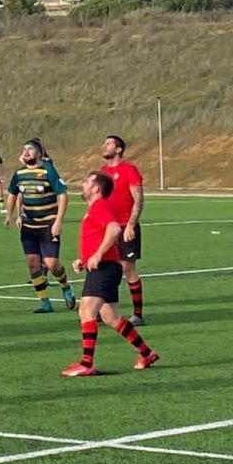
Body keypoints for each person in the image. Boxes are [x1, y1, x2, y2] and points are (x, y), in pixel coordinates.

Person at [62, 171, 158, 377]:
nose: (83, 184)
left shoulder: (99, 206)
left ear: (96, 188)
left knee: (86, 312)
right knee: (111, 317)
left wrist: (97, 255)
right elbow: (99, 235)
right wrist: (86, 259)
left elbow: (114, 229)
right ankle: (146, 353)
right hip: (104, 266)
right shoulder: (95, 209)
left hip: (104, 268)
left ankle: (86, 363)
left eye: (87, 181)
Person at [4, 140, 77, 313]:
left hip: (48, 224)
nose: (26, 152)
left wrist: (58, 221)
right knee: (32, 263)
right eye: (24, 149)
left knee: (52, 264)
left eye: (30, 149)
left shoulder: (48, 170)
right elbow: (12, 194)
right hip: (29, 226)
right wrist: (10, 214)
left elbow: (63, 195)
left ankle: (65, 286)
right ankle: (45, 302)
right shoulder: (19, 173)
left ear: (38, 153)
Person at [100, 134, 146, 322]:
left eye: (108, 143)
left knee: (127, 269)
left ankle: (138, 314)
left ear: (118, 149)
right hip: (107, 229)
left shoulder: (129, 170)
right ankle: (102, 312)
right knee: (105, 269)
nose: (104, 146)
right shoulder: (102, 172)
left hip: (125, 226)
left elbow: (139, 199)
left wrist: (130, 225)